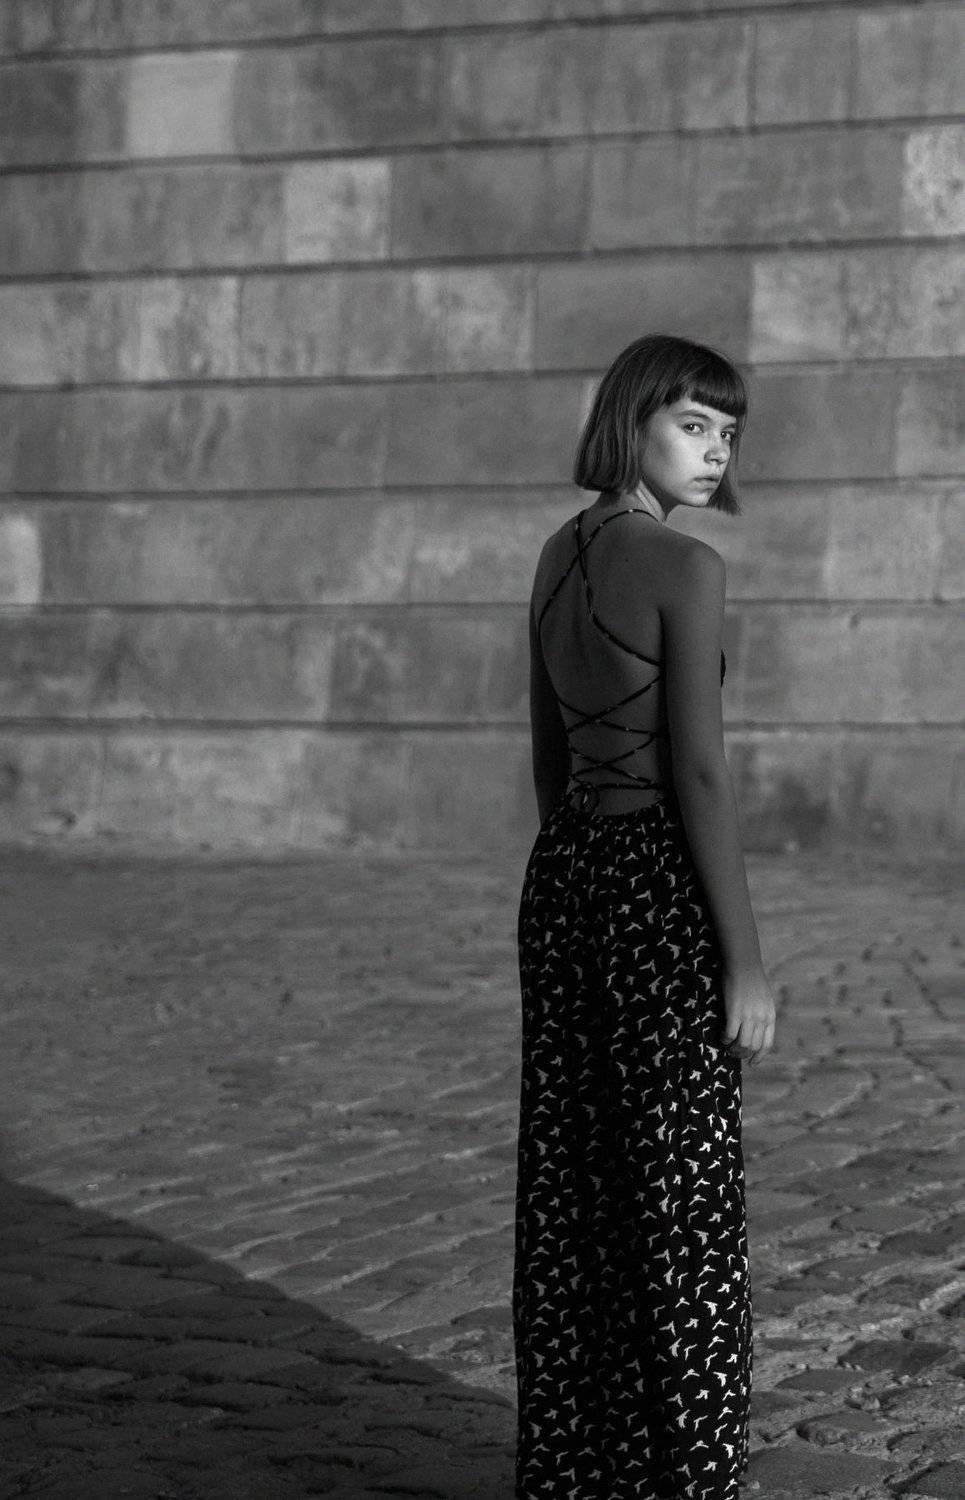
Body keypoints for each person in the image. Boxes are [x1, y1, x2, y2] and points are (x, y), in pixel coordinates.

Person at [512, 333, 776, 1500]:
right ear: (632, 423)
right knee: (681, 1200)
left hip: (566, 877)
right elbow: (700, 774)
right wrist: (743, 961)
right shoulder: (684, 566)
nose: (714, 452)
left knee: (575, 1188)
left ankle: (579, 1467)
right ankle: (685, 1474)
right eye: (691, 425)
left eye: (726, 433)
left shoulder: (551, 558)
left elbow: (548, 758)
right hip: (657, 887)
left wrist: (578, 884)